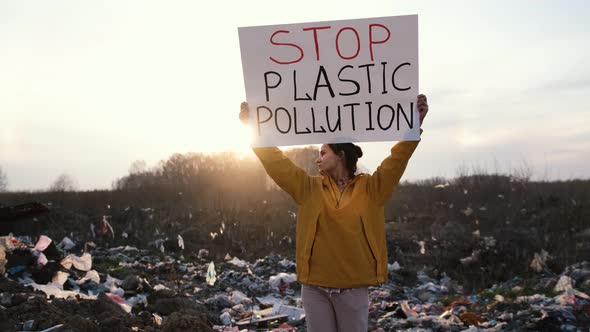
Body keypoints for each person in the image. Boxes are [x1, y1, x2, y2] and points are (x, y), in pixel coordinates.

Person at [239, 95, 429, 332]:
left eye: (323, 153)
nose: (318, 159)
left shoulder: (372, 188)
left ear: (340, 155)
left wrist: (413, 126)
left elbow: (396, 160)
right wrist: (253, 129)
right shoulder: (308, 188)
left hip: (353, 288)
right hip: (315, 288)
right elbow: (276, 162)